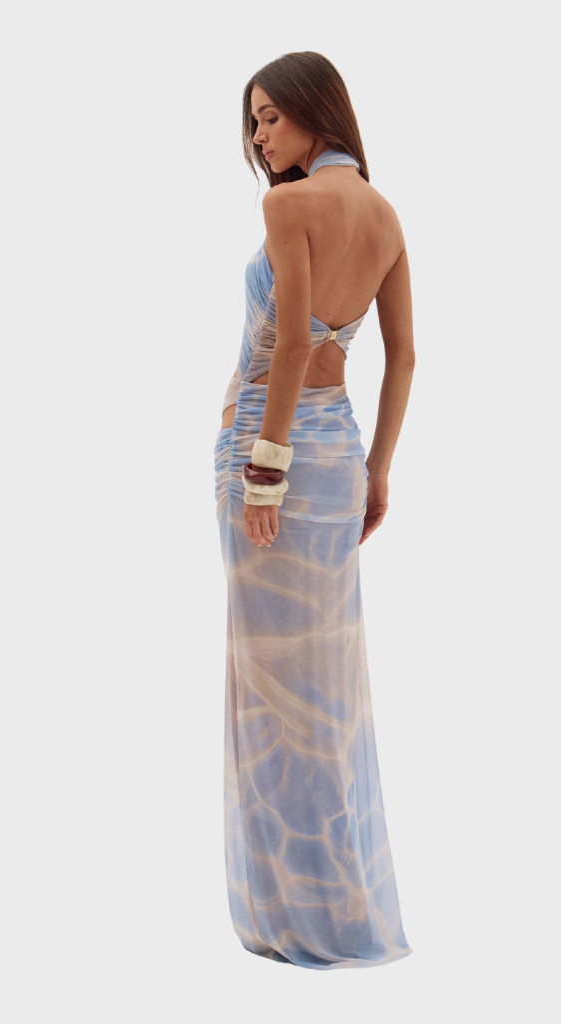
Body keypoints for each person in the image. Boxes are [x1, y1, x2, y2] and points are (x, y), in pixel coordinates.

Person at [214, 50, 415, 970]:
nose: (259, 136)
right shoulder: (383, 214)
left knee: (273, 688)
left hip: (274, 449)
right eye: (252, 121)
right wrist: (377, 472)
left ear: (314, 110)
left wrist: (265, 469)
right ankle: (335, 906)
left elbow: (292, 343)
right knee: (324, 684)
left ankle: (292, 920)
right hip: (338, 460)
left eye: (270, 116)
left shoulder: (287, 207)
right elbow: (403, 357)